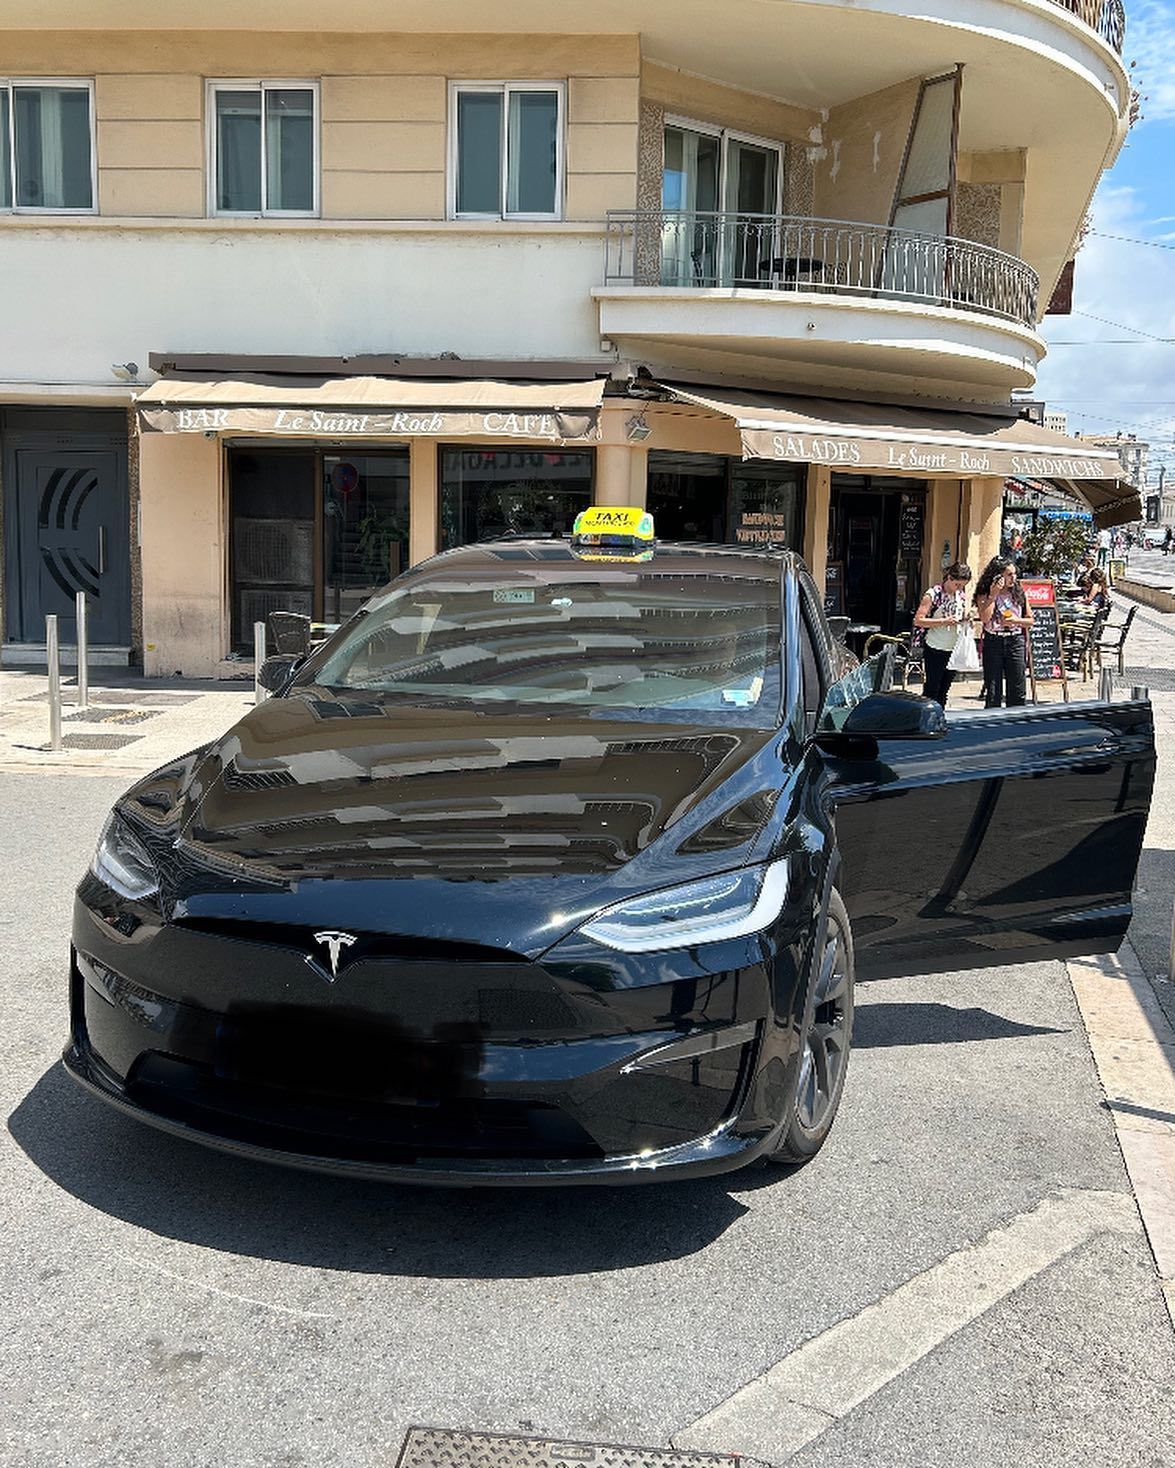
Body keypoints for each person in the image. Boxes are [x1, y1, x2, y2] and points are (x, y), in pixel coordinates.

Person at [912, 561, 973, 707]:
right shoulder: (933, 594)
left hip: (953, 647)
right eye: (957, 584)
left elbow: (959, 614)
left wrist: (966, 618)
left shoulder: (960, 596)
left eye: (962, 586)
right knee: (932, 688)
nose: (959, 588)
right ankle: (925, 718)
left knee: (945, 688)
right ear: (949, 578)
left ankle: (940, 718)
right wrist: (943, 621)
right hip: (936, 646)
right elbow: (918, 620)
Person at [974, 557, 1032, 708]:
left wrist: (1016, 620)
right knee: (993, 688)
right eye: (1009, 574)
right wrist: (993, 595)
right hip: (994, 640)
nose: (1013, 578)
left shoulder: (1018, 592)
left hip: (1015, 640)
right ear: (998, 576)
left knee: (1017, 687)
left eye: (1014, 574)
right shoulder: (984, 592)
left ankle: (1015, 721)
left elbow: (1030, 620)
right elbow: (985, 618)